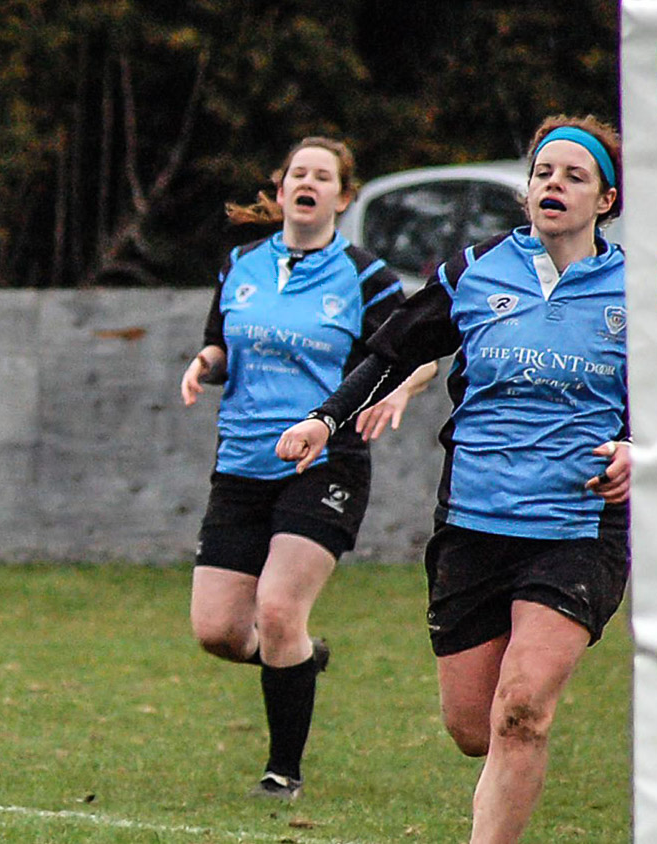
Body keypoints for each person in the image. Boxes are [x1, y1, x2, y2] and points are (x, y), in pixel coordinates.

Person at [276, 115, 627, 843]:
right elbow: (390, 354)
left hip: (577, 530)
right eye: (542, 173)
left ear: (607, 200)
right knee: (474, 728)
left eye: (573, 175)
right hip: (474, 525)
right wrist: (325, 418)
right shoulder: (475, 272)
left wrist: (638, 449)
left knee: (521, 712)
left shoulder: (641, 291)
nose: (552, 184)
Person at [182, 136, 437, 801]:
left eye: (323, 177)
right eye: (298, 172)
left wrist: (403, 393)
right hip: (240, 462)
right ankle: (298, 655)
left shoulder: (366, 277)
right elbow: (219, 344)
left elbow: (422, 352)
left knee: (277, 607)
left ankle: (282, 773)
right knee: (216, 631)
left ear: (343, 197)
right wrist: (202, 365)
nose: (309, 183)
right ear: (281, 185)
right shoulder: (240, 264)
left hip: (327, 463)